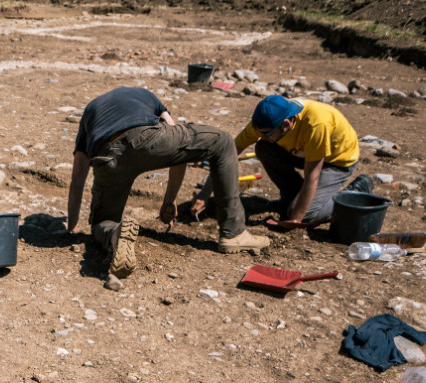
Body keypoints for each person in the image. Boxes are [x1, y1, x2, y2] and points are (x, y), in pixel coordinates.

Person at [64, 87, 271, 291]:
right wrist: (170, 199)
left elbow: (77, 180)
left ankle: (114, 235)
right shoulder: (147, 96)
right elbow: (178, 149)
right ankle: (233, 232)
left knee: (102, 222)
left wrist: (71, 228)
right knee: (223, 141)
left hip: (107, 155)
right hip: (147, 138)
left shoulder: (90, 111)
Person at [193, 95, 368, 229]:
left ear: (286, 124)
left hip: (337, 161)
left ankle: (353, 193)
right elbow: (226, 156)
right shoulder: (265, 122)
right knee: (263, 148)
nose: (260, 136)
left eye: (266, 133)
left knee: (306, 215)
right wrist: (204, 195)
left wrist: (296, 219)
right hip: (304, 153)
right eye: (258, 131)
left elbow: (312, 176)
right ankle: (291, 197)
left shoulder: (316, 124)